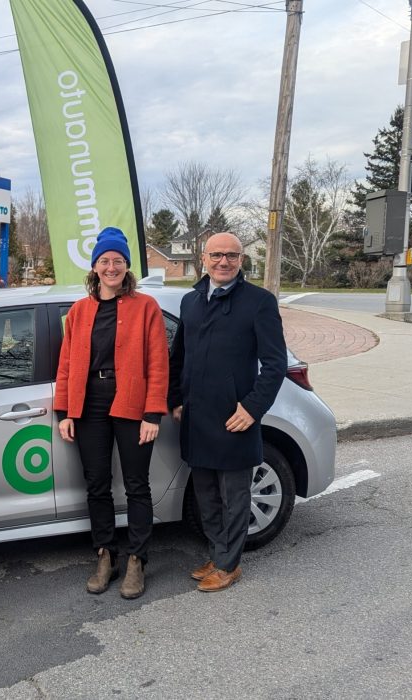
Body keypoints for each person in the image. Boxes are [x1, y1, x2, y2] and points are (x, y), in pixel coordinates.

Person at [54, 227, 169, 600]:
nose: (111, 266)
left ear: (127, 266)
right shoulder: (79, 311)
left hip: (132, 401)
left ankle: (137, 558)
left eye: (118, 261)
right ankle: (105, 554)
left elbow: (158, 361)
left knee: (137, 484)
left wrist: (153, 413)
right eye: (104, 260)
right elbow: (67, 364)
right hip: (90, 404)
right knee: (97, 484)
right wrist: (66, 412)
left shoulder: (146, 307)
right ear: (94, 267)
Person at [168, 232, 287, 592]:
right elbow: (179, 357)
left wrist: (252, 408)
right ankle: (218, 553)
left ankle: (229, 564)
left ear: (241, 260)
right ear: (203, 258)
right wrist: (175, 400)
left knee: (235, 497)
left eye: (232, 256)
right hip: (196, 417)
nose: (224, 262)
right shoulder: (190, 301)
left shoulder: (259, 303)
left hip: (234, 418)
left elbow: (275, 363)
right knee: (206, 495)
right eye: (217, 255)